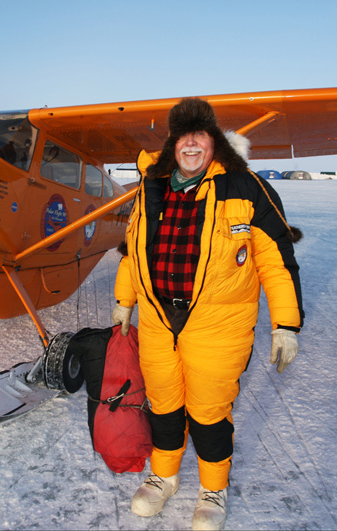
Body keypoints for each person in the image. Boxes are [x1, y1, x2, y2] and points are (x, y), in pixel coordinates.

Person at [111, 97, 303, 531]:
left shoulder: (245, 186)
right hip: (160, 323)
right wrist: (125, 300)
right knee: (163, 404)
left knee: (209, 411)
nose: (192, 144)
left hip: (219, 325)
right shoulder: (152, 185)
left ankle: (212, 488)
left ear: (214, 141)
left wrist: (286, 324)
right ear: (173, 145)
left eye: (201, 135)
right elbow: (131, 250)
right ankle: (165, 476)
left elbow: (276, 260)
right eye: (183, 136)